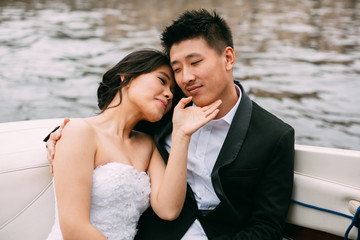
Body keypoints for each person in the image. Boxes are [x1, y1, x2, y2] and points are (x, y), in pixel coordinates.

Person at [47, 9, 295, 240]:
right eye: (177, 69)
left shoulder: (274, 135)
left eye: (195, 63)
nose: (185, 78)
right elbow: (110, 126)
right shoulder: (164, 110)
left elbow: (267, 225)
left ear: (228, 58)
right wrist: (56, 136)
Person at [44, 49, 222, 240]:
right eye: (162, 81)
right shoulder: (79, 132)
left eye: (172, 91)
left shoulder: (147, 145)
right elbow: (74, 227)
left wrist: (182, 134)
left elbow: (168, 209)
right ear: (127, 77)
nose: (169, 94)